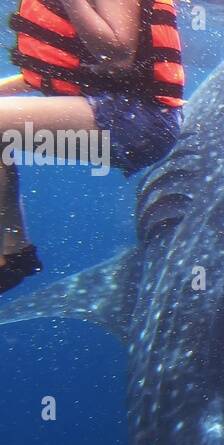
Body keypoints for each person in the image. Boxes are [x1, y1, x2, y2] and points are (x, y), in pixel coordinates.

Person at [0, 0, 184, 292]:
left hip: (139, 122)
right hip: (121, 113)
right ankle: (14, 252)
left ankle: (16, 251)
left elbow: (117, 56)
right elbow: (52, 73)